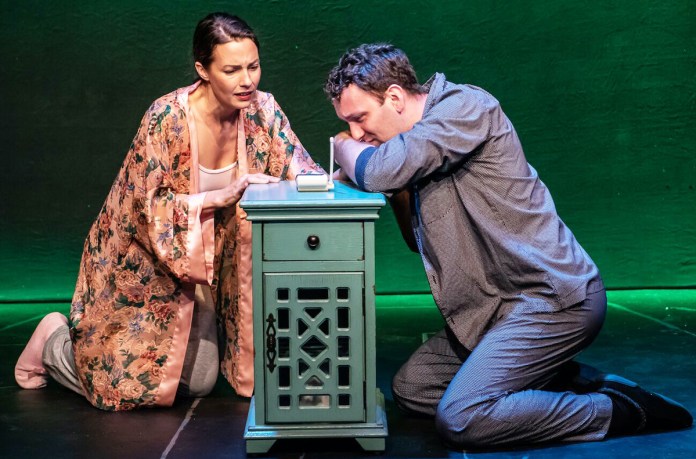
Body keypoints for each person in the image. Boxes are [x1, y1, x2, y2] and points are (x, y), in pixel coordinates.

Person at [324, 43, 692, 447]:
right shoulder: (415, 150)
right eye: (348, 126)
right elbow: (416, 239)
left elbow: (377, 171)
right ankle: (568, 380)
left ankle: (616, 409)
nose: (357, 132)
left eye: (359, 119)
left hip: (552, 300)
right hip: (495, 311)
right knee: (414, 388)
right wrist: (396, 188)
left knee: (461, 418)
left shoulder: (463, 107)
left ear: (394, 97)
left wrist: (344, 147)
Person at [14, 13, 322, 411]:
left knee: (200, 382)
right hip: (146, 263)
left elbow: (301, 168)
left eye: (253, 66)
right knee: (124, 388)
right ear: (203, 70)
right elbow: (148, 207)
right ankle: (54, 341)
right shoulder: (166, 118)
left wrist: (344, 164)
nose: (247, 80)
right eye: (231, 70)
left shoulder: (263, 110)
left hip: (207, 266)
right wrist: (221, 196)